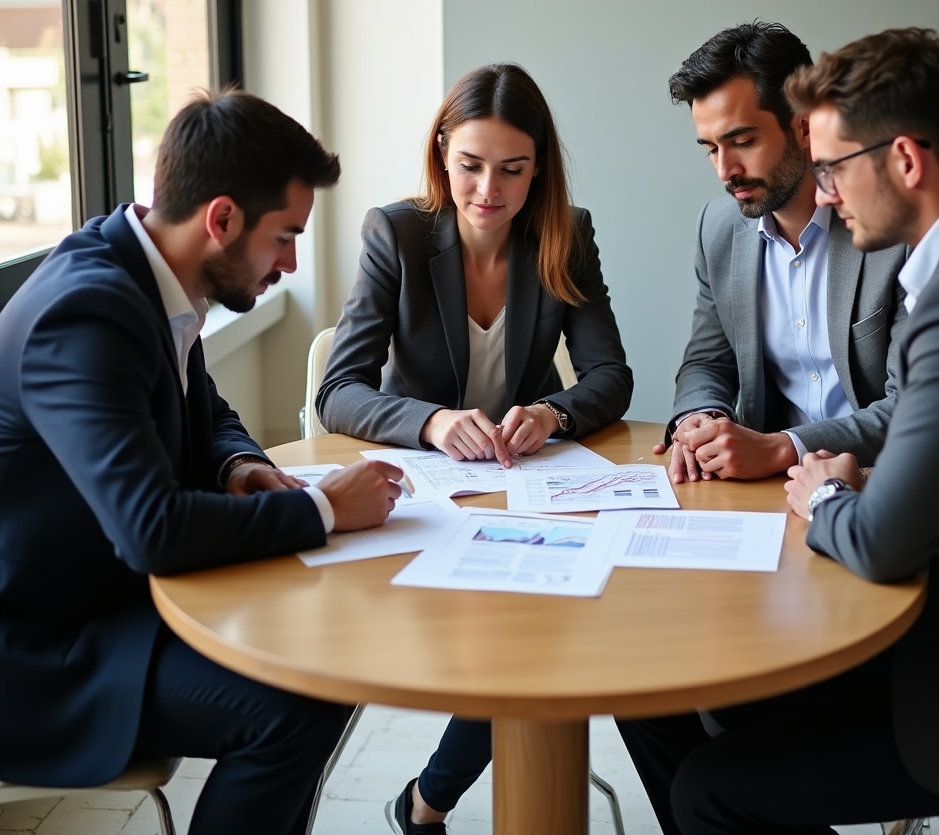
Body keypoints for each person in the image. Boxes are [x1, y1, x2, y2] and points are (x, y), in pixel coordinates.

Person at [632, 28, 939, 835]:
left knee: (710, 788)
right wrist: (704, 418)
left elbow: (884, 540)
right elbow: (706, 357)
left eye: (835, 164)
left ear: (905, 161)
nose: (830, 187)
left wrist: (824, 485)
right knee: (658, 692)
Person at [0, 89, 406, 835]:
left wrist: (234, 466)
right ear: (221, 219)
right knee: (293, 705)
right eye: (283, 237)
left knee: (329, 655)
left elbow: (204, 406)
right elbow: (151, 530)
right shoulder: (85, 313)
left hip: (112, 599)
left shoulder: (140, 271)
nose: (288, 263)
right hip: (42, 648)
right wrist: (323, 508)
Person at [316, 62, 632, 833]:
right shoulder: (397, 232)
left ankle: (424, 804)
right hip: (423, 494)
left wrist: (554, 414)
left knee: (537, 634)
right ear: (442, 155)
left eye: (513, 170)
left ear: (539, 169)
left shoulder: (567, 232)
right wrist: (429, 421)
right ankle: (427, 804)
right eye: (470, 165)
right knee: (524, 649)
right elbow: (339, 390)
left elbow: (610, 375)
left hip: (524, 484)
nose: (489, 189)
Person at [651, 22, 907, 489]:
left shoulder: (893, 230)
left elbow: (912, 405)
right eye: (710, 149)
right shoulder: (719, 228)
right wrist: (698, 420)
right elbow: (709, 361)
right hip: (766, 487)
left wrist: (782, 446)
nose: (726, 171)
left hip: (877, 482)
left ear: (804, 127)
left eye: (743, 142)